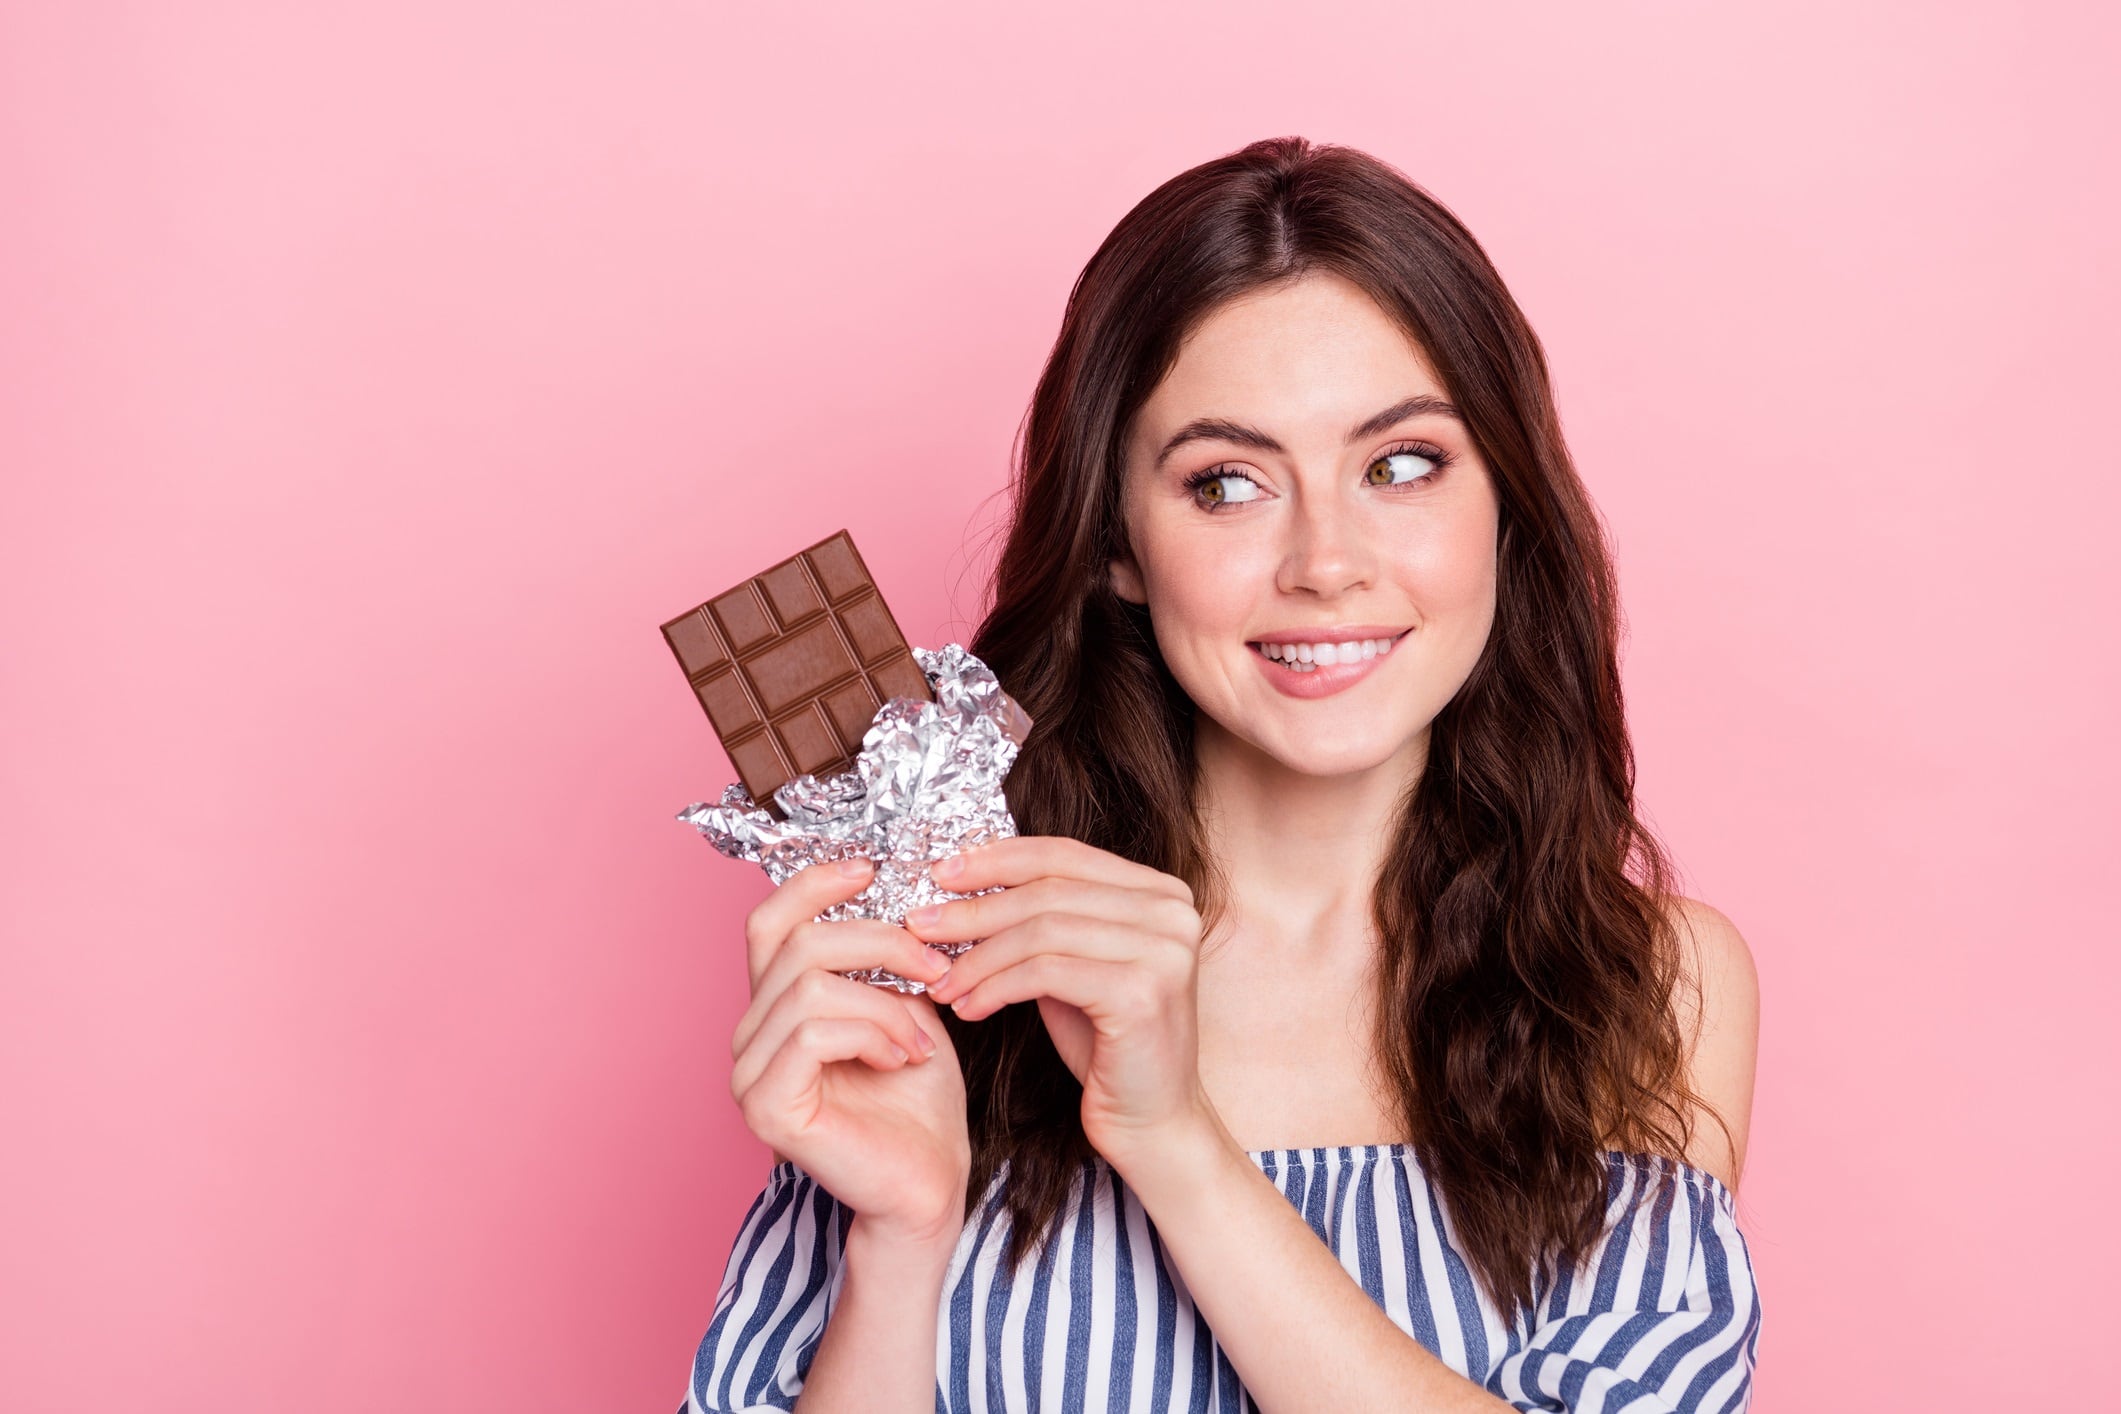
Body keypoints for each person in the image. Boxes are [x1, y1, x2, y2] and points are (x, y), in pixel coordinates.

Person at [680, 135, 1763, 1414]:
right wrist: (904, 1238)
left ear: (1507, 503)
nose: (1325, 561)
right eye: (1228, 483)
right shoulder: (945, 944)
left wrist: (1172, 1138)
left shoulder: (1648, 981)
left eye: (1402, 463)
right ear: (1118, 544)